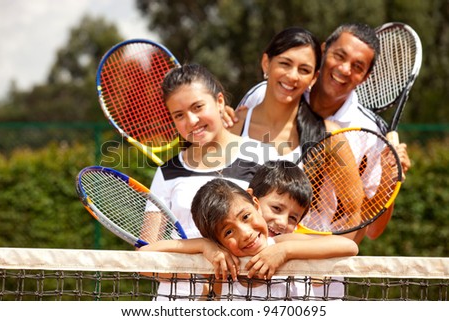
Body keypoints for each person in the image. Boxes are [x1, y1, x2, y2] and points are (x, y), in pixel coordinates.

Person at [224, 23, 411, 243]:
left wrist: (389, 181)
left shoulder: (368, 134)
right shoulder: (268, 93)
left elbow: (371, 228)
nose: (344, 69)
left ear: (366, 77)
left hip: (317, 265)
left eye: (358, 66)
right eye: (339, 56)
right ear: (322, 54)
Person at [145, 63, 270, 300]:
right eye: (179, 115)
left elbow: (281, 232)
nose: (191, 120)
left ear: (220, 102)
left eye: (198, 107)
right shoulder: (167, 173)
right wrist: (203, 251)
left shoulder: (264, 157)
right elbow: (145, 260)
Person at [141, 178, 358, 300]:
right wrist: (203, 245)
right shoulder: (216, 266)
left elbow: (349, 246)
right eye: (228, 232)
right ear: (217, 239)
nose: (245, 233)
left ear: (256, 204)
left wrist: (285, 252)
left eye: (246, 217)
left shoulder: (283, 243)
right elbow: (143, 259)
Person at [225, 26, 341, 163]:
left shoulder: (329, 136)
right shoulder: (232, 126)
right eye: (285, 64)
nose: (292, 76)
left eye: (304, 70)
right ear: (266, 63)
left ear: (314, 78)